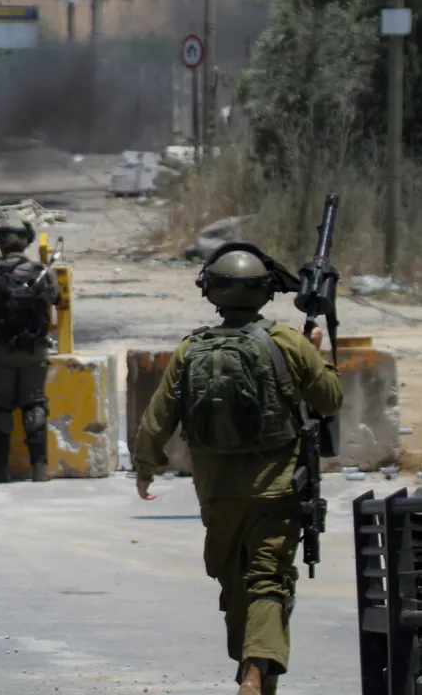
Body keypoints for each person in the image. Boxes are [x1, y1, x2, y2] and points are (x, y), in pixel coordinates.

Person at [134, 243, 342, 695]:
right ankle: (255, 671)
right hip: (276, 488)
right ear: (266, 294)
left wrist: (145, 466)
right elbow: (329, 400)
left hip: (216, 493)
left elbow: (158, 416)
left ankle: (253, 670)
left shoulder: (192, 348)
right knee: (268, 579)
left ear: (212, 293)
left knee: (234, 581)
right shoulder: (288, 342)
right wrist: (318, 356)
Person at [0, 213, 62, 483]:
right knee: (34, 403)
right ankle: (39, 468)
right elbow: (55, 299)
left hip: (0, 349)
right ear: (26, 241)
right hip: (35, 349)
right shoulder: (42, 273)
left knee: (0, 407)